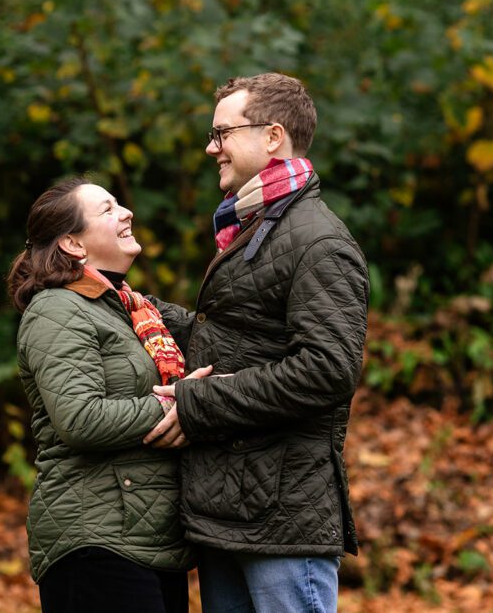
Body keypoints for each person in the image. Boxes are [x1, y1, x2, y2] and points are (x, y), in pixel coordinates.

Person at [143, 73, 370, 612]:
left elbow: (327, 370)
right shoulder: (256, 224)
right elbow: (235, 339)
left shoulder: (318, 239)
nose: (210, 147)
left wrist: (199, 404)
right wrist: (134, 305)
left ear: (272, 137)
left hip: (283, 517)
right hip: (230, 512)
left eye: (222, 133)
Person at [8, 177, 206, 613]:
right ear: (74, 244)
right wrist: (180, 404)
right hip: (94, 540)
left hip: (150, 538)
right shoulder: (55, 308)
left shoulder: (131, 308)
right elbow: (79, 418)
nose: (126, 213)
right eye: (108, 209)